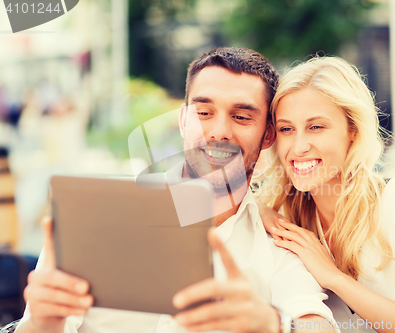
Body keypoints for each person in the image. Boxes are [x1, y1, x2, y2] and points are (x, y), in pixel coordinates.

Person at [14, 47, 336, 333]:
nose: (219, 131)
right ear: (183, 121)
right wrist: (42, 324)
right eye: (204, 112)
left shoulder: (280, 245)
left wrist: (272, 324)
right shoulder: (94, 217)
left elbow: (319, 325)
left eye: (240, 116)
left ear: (268, 136)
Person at [255, 56, 395, 333]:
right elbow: (194, 199)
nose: (299, 146)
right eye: (286, 129)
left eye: (316, 126)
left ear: (352, 130)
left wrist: (334, 278)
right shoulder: (291, 215)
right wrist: (255, 208)